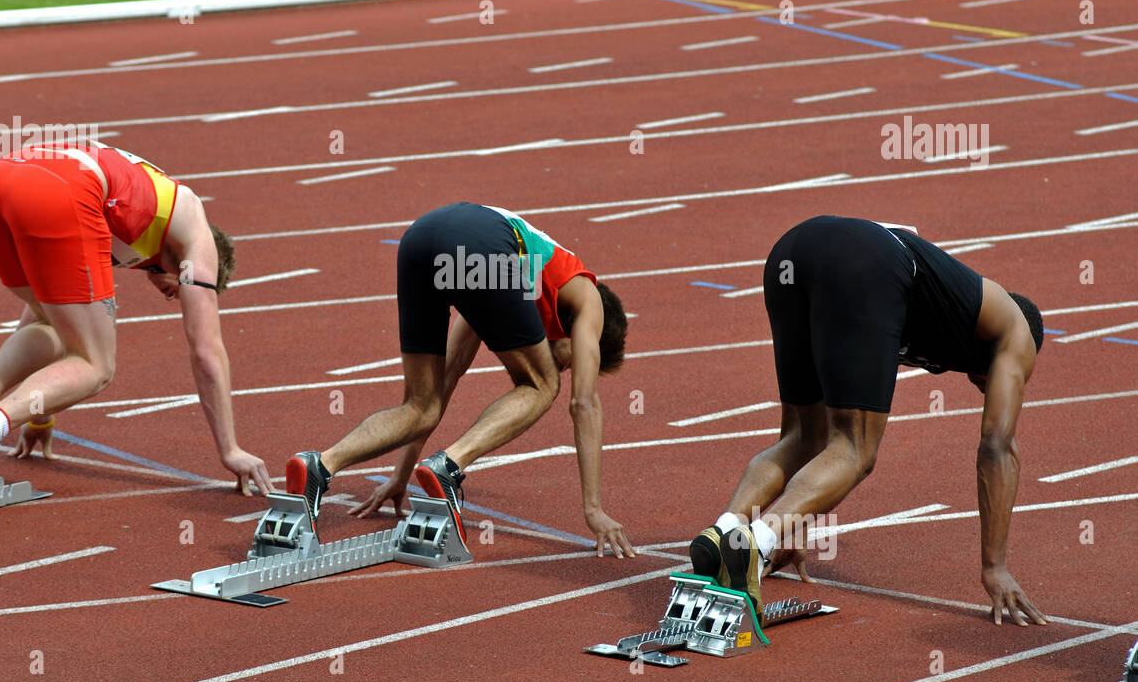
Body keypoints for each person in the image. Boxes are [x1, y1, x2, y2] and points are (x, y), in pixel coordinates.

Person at [691, 215, 1048, 626]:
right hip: (859, 263)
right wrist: (994, 567)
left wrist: (798, 515)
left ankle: (726, 531)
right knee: (856, 449)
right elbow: (997, 448)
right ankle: (756, 543)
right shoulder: (1015, 332)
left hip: (793, 253)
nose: (1000, 387)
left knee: (803, 438)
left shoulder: (952, 305)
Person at [286, 202, 635, 557]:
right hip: (481, 240)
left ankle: (320, 465)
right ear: (583, 337)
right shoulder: (586, 298)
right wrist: (593, 510)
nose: (566, 367)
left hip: (420, 239)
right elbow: (584, 403)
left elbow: (449, 376)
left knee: (423, 404)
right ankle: (450, 466)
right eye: (573, 362)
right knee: (542, 385)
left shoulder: (525, 275)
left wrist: (401, 476)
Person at [0, 139, 271, 500]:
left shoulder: (129, 220)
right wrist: (230, 450)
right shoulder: (198, 238)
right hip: (60, 190)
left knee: (48, 323)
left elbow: (43, 320)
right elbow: (207, 352)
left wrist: (38, 414)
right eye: (177, 293)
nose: (171, 297)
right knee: (96, 366)